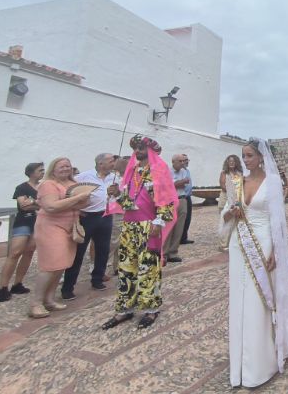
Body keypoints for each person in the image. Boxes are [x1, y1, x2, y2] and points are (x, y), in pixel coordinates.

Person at [219, 139, 288, 388]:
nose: (246, 160)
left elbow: (278, 220)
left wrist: (276, 249)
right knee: (240, 299)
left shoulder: (273, 182)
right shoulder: (237, 182)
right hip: (239, 244)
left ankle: (260, 363)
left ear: (261, 157)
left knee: (258, 300)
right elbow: (225, 213)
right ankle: (240, 364)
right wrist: (231, 212)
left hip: (263, 241)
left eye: (250, 155)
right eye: (244, 156)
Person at [102, 135, 177, 330]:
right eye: (135, 147)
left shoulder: (159, 170)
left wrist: (159, 221)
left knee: (148, 268)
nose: (137, 150)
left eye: (141, 147)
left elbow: (167, 199)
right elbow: (130, 204)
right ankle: (125, 308)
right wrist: (117, 195)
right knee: (126, 267)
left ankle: (151, 309)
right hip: (129, 226)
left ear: (150, 149)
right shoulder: (132, 171)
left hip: (149, 226)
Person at [29, 157, 92, 318]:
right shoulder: (48, 184)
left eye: (68, 166)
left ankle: (49, 299)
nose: (65, 169)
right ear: (53, 169)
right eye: (61, 166)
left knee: (61, 265)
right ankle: (36, 303)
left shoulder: (73, 183)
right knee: (50, 266)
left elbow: (84, 203)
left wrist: (79, 200)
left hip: (69, 227)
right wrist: (76, 199)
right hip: (50, 228)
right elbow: (51, 206)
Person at [60, 153, 119, 301]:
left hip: (105, 215)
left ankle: (97, 279)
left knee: (103, 250)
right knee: (78, 252)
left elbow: (118, 195)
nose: (113, 163)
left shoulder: (114, 178)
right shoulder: (84, 176)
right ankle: (68, 287)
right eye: (111, 161)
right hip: (87, 217)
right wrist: (76, 208)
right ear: (100, 163)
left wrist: (116, 193)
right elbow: (69, 190)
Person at [0, 162, 43, 302]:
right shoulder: (22, 187)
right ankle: (3, 287)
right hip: (23, 221)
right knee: (15, 253)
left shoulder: (44, 187)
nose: (43, 172)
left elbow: (47, 204)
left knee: (29, 252)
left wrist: (33, 202)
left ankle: (17, 284)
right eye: (40, 170)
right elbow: (23, 206)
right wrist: (38, 204)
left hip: (38, 222)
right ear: (31, 172)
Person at [163, 153, 190, 263]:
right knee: (169, 227)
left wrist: (179, 183)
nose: (183, 163)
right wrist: (180, 182)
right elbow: (171, 185)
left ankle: (173, 252)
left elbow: (184, 184)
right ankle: (164, 253)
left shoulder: (184, 171)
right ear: (173, 161)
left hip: (182, 199)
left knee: (179, 227)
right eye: (180, 161)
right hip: (171, 200)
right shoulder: (168, 171)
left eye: (184, 161)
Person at [180, 153, 195, 245]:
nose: (186, 162)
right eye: (184, 160)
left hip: (188, 196)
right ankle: (180, 238)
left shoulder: (187, 171)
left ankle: (184, 237)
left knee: (188, 218)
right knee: (182, 219)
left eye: (187, 160)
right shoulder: (180, 171)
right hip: (182, 197)